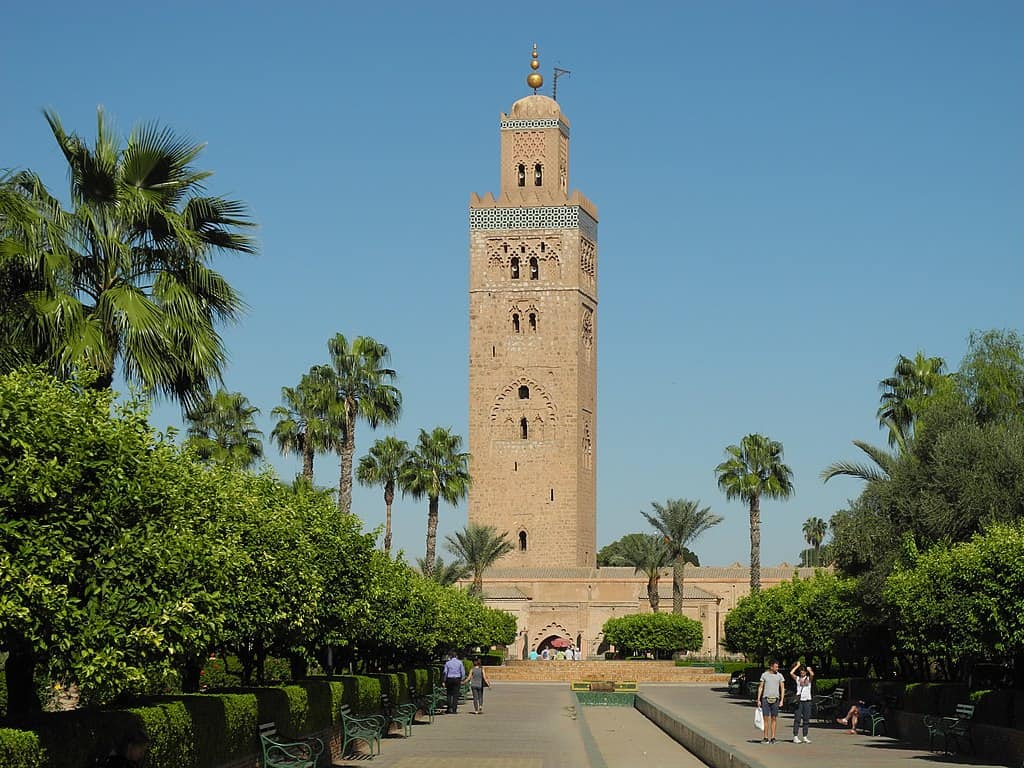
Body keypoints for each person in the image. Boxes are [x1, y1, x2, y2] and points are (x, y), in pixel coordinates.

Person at [756, 660, 785, 744]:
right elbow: (761, 687)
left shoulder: (780, 676)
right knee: (765, 719)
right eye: (776, 667)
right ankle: (765, 737)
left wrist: (782, 700)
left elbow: (782, 688)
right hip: (766, 699)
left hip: (775, 699)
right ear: (771, 667)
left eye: (778, 666)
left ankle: (773, 737)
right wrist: (758, 699)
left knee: (774, 718)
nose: (777, 668)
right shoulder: (764, 675)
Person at [790, 661, 815, 743]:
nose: (802, 672)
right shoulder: (798, 679)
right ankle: (795, 736)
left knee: (806, 719)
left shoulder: (808, 679)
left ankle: (805, 736)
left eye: (803, 671)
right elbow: (791, 673)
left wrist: (809, 669)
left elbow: (812, 675)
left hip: (807, 700)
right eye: (801, 671)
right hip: (799, 701)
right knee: (797, 719)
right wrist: (797, 666)